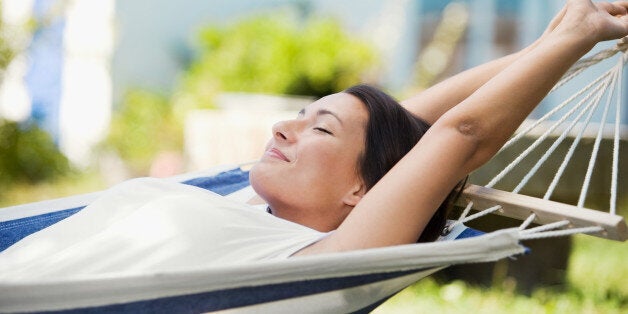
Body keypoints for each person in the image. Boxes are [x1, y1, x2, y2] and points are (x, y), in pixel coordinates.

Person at [0, 0, 627, 278]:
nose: (283, 127)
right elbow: (410, 120)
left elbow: (456, 135)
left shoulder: (318, 260)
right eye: (302, 114)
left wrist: (578, 33)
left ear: (363, 188)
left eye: (317, 127)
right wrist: (554, 44)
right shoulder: (248, 201)